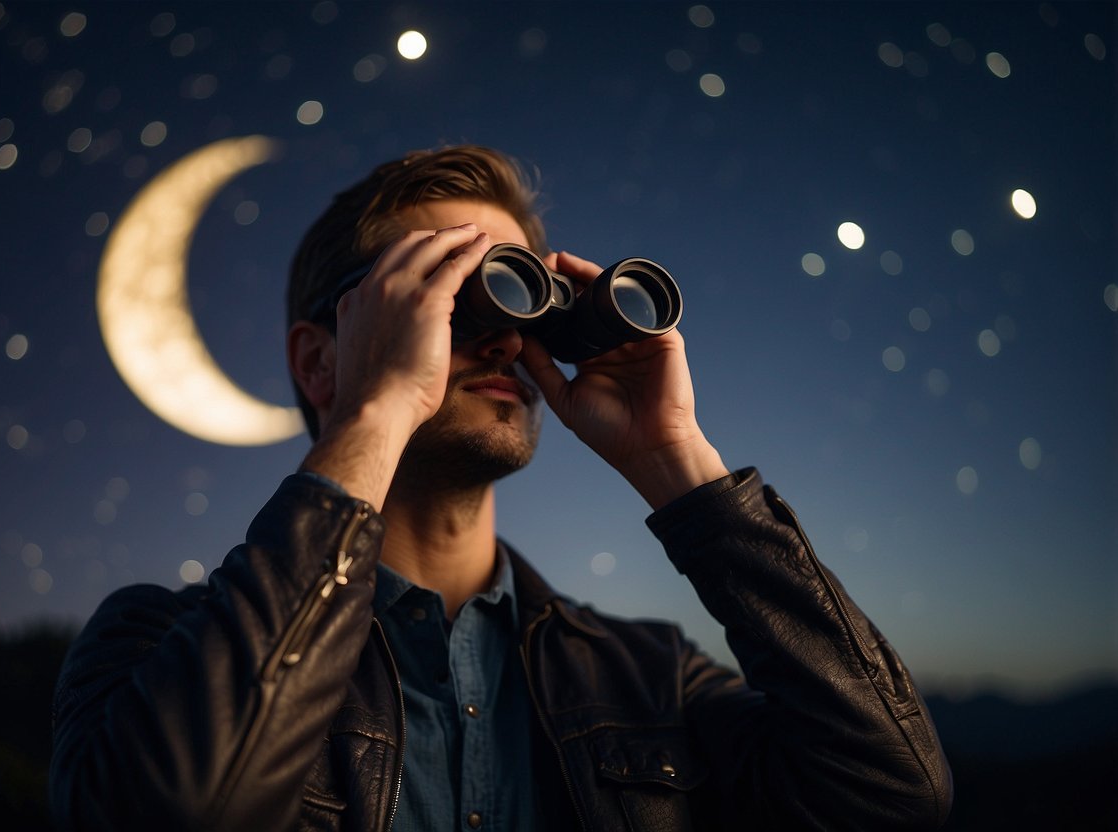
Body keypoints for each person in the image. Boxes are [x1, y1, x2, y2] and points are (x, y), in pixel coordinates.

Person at [50, 145, 952, 831]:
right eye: (445, 291)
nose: (505, 339)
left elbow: (891, 796)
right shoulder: (149, 647)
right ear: (318, 360)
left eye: (518, 294)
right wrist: (374, 410)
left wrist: (674, 457)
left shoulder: (646, 676)